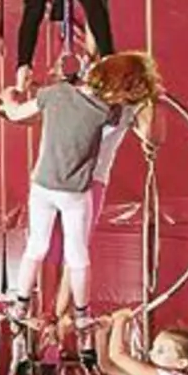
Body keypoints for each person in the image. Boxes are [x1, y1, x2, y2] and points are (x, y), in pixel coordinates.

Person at [0, 53, 161, 331]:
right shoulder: (109, 113)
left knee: (36, 245)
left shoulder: (54, 94)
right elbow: (145, 130)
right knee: (77, 253)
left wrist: (7, 98)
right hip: (75, 192)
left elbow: (15, 114)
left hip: (43, 187)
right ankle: (82, 314)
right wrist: (150, 102)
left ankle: (20, 304)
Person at [45, 53, 162, 327]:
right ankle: (46, 311)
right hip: (56, 175)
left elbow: (153, 137)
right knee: (47, 245)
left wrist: (154, 105)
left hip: (90, 181)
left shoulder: (131, 108)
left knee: (74, 249)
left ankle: (58, 314)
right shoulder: (81, 94)